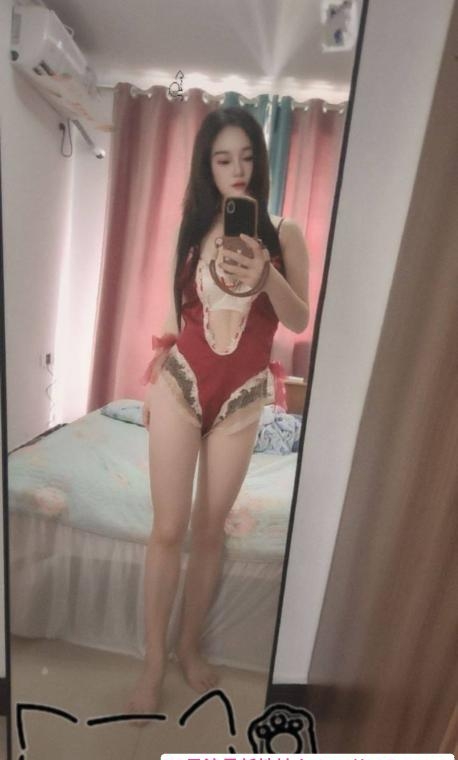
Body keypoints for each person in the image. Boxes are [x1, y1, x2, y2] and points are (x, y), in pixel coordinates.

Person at [127, 106, 309, 715]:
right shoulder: (193, 226)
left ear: (262, 160)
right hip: (182, 384)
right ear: (208, 164)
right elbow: (173, 311)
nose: (238, 169)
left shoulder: (283, 231)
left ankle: (188, 647)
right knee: (167, 528)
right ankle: (153, 662)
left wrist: (267, 274)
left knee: (209, 532)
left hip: (242, 398)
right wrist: (155, 372)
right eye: (224, 158)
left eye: (248, 157)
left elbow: (299, 319)